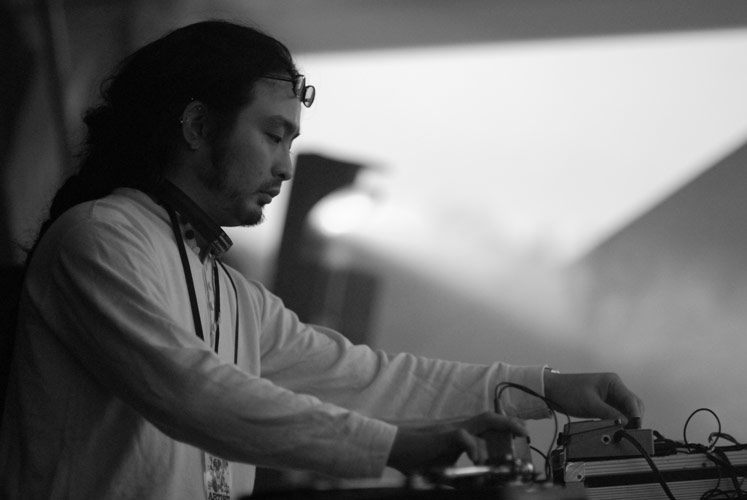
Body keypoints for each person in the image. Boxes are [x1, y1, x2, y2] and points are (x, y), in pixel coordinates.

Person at [0, 19, 643, 500]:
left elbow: (363, 377)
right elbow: (192, 393)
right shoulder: (100, 238)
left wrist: (545, 387)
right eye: (272, 135)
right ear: (196, 126)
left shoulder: (229, 289)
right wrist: (398, 447)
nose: (285, 167)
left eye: (291, 141)